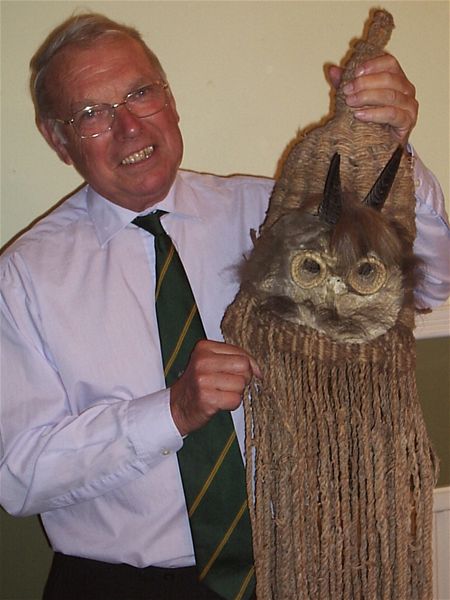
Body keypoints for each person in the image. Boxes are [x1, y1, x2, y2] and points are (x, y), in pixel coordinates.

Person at [1, 12, 449, 600]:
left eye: (141, 94)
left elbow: (430, 285)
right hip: (119, 585)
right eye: (91, 114)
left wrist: (389, 142)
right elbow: (20, 475)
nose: (130, 126)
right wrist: (171, 412)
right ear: (58, 139)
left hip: (297, 570)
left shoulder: (273, 210)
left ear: (172, 100)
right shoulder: (24, 277)